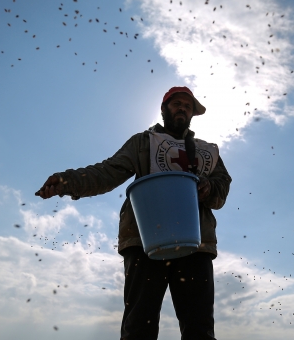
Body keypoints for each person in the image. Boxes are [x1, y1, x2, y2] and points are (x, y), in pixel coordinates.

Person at [35, 86, 232, 340]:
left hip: (196, 243)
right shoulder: (143, 143)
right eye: (176, 103)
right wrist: (66, 181)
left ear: (193, 113)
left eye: (188, 105)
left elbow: (222, 187)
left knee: (200, 328)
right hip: (146, 241)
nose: (182, 108)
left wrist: (208, 187)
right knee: (139, 326)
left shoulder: (209, 152)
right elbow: (107, 172)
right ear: (163, 109)